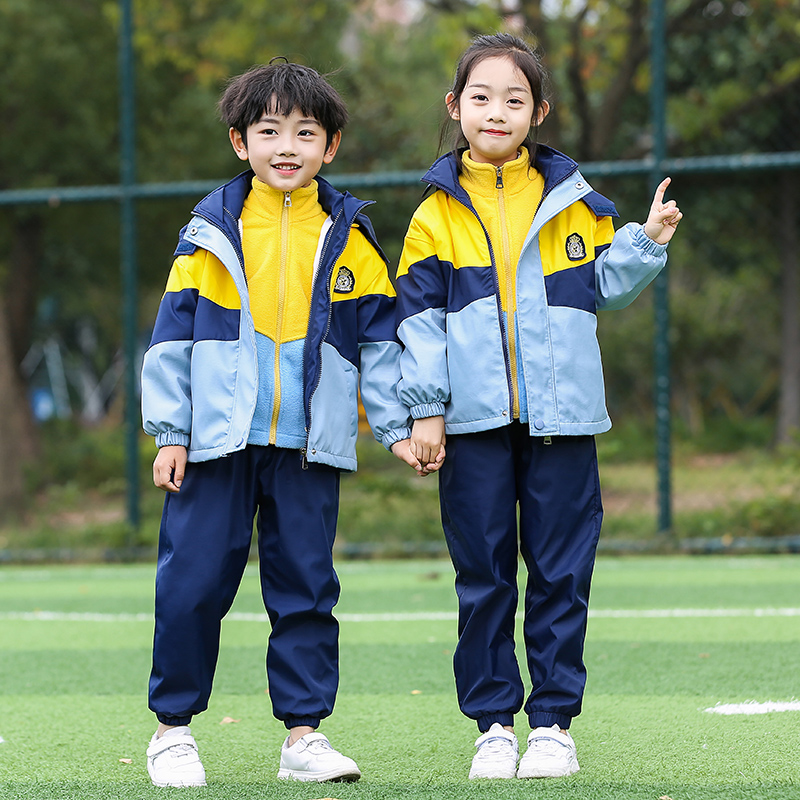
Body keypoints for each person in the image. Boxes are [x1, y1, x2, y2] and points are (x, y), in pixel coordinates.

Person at [395, 33, 682, 780]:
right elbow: (418, 324)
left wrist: (644, 241)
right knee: (484, 576)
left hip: (565, 423)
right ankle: (493, 723)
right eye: (482, 98)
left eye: (515, 100)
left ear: (540, 111)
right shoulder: (431, 215)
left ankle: (552, 723)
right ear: (456, 108)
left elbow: (600, 285)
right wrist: (426, 410)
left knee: (562, 573)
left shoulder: (578, 202)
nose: (498, 111)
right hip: (471, 427)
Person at [140, 59, 426, 788]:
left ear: (330, 146)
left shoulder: (353, 238)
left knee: (305, 591)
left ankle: (304, 736)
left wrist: (400, 427)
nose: (287, 146)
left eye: (305, 132)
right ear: (241, 142)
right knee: (193, 586)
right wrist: (171, 431)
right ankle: (173, 731)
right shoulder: (208, 234)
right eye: (269, 131)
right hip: (214, 446)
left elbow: (380, 347)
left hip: (309, 447)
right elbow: (170, 341)